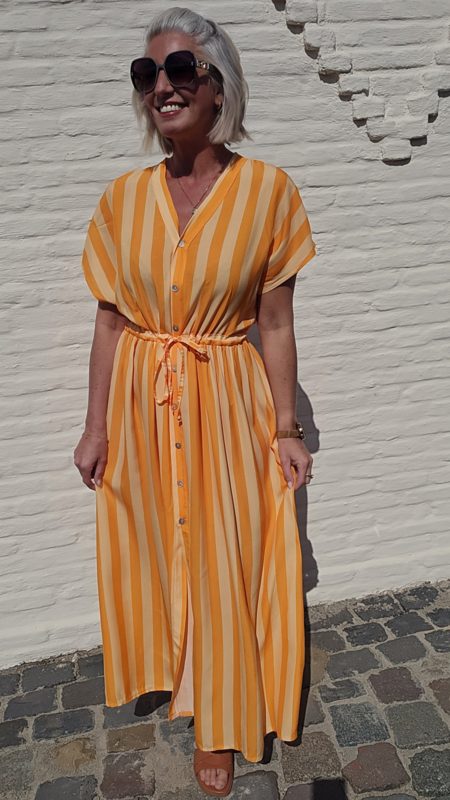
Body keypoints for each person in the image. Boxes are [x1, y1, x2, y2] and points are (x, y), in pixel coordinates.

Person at [74, 7, 315, 796]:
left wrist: (287, 428)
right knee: (154, 548)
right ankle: (173, 669)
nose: (163, 86)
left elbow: (274, 323)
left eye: (181, 69)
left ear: (219, 87)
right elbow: (109, 322)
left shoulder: (268, 193)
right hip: (143, 401)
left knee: (220, 557)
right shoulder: (122, 199)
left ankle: (219, 717)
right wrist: (95, 426)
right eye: (148, 74)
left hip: (225, 397)